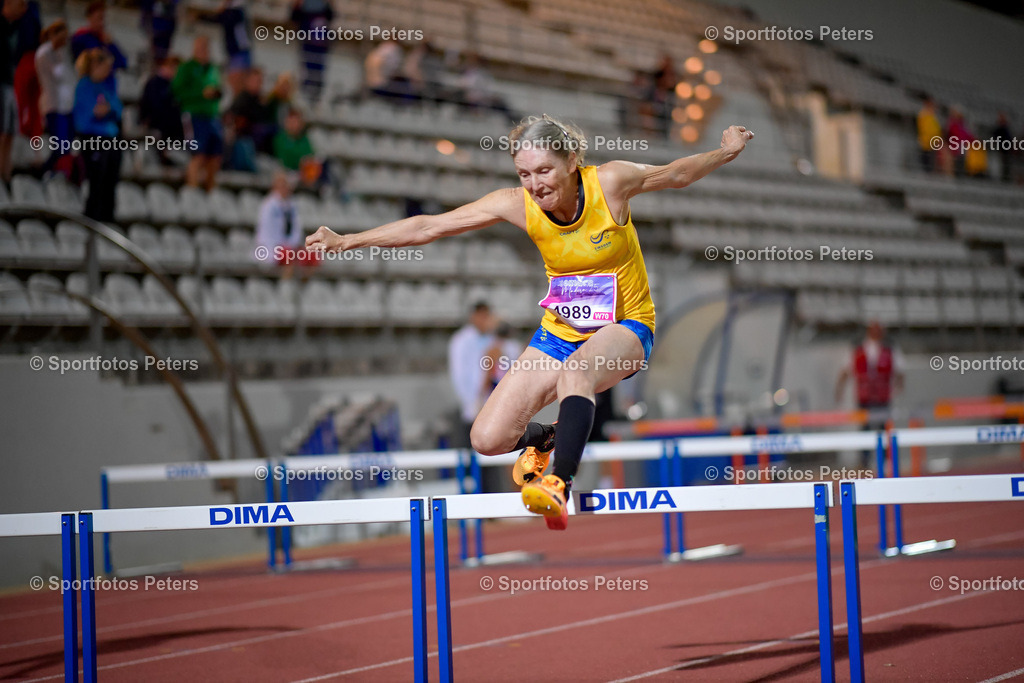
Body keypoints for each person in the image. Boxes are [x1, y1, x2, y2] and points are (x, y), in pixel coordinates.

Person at [306, 115, 755, 529]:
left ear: (572, 161)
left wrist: (726, 151)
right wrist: (347, 240)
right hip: (559, 334)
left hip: (626, 327)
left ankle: (558, 483)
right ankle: (547, 437)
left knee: (578, 372)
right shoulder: (516, 205)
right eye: (524, 174)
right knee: (488, 437)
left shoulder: (610, 183)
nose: (535, 185)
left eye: (544, 171)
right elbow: (429, 226)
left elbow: (677, 173)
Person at [834, 320, 906, 468]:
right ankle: (864, 461)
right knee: (864, 428)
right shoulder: (857, 348)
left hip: (883, 396)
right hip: (864, 396)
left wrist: (899, 386)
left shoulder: (890, 348)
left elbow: (900, 370)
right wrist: (839, 390)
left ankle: (888, 461)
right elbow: (845, 370)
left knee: (885, 427)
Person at [72, 47, 122, 223]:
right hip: (93, 139)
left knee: (110, 179)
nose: (108, 71)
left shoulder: (107, 86)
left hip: (110, 139)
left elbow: (117, 109)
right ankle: (92, 217)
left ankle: (107, 217)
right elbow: (90, 114)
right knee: (96, 179)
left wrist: (107, 111)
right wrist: (104, 111)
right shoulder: (84, 86)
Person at [173, 35, 223, 190]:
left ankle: (209, 193)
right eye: (200, 47)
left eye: (206, 48)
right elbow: (177, 91)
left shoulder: (213, 69)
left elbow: (218, 90)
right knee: (198, 156)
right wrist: (201, 93)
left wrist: (215, 93)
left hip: (212, 117)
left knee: (215, 158)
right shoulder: (187, 68)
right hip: (194, 116)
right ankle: (192, 194)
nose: (203, 51)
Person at [448, 301, 496, 449]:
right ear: (473, 317)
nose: (485, 320)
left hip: (490, 407)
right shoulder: (461, 341)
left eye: (487, 316)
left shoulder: (492, 340)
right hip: (473, 409)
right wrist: (473, 404)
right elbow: (459, 376)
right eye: (482, 316)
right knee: (471, 455)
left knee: (490, 456)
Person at [35, 19, 76, 176]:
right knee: (59, 145)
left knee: (67, 144)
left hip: (67, 105)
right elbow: (54, 78)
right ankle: (45, 171)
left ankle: (59, 171)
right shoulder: (44, 53)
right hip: (54, 105)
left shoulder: (62, 53)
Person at [255, 171, 307, 278]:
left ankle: (306, 287)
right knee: (290, 256)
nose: (285, 188)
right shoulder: (269, 206)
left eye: (286, 184)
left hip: (287, 244)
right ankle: (285, 287)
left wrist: (293, 244)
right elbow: (267, 232)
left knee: (312, 256)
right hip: (272, 246)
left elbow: (296, 229)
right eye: (282, 184)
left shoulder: (291, 205)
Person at [139, 55, 183, 167]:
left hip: (172, 126)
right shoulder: (154, 83)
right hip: (157, 123)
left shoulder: (176, 86)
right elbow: (152, 106)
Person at [289, 0, 333, 105]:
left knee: (318, 76)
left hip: (320, 49)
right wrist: (297, 5)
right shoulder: (305, 11)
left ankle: (315, 98)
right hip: (308, 48)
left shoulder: (323, 10)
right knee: (306, 74)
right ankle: (304, 98)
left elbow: (330, 16)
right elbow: (294, 17)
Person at [70, 1, 127, 71]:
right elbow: (95, 65)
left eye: (103, 18)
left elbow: (123, 63)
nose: (102, 23)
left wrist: (111, 44)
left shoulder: (102, 38)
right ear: (89, 18)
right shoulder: (81, 38)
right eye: (99, 18)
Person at [915, 97, 941, 173]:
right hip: (926, 143)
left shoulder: (932, 116)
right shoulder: (924, 114)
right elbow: (928, 129)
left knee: (931, 163)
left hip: (932, 143)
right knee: (927, 163)